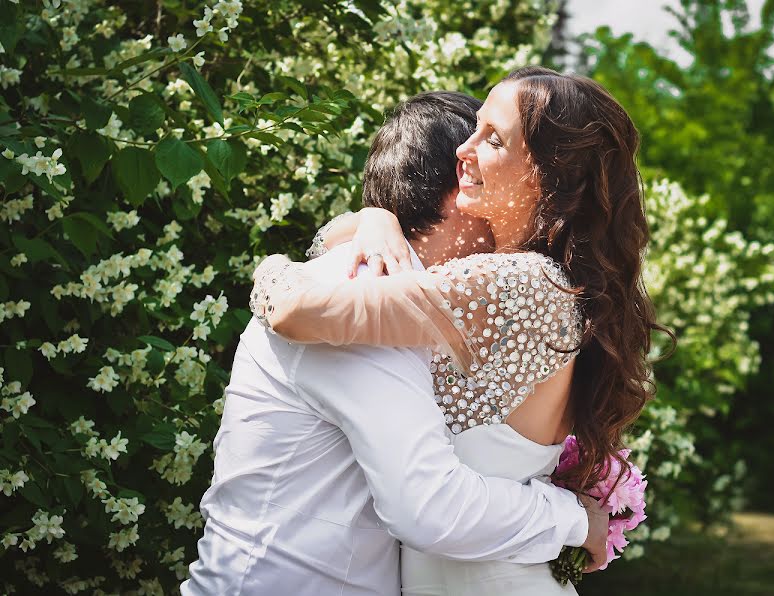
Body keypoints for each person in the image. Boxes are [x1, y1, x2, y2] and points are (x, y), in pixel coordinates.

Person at [253, 66, 675, 595]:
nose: (464, 150)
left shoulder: (515, 285)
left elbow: (296, 311)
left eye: (492, 139)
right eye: (474, 128)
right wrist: (374, 217)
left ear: (550, 175)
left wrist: (266, 268)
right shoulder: (547, 284)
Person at [183, 91, 610, 596]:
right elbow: (429, 507)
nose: (501, 231)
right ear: (459, 193)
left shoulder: (415, 301)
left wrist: (370, 217)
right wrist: (573, 517)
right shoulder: (370, 294)